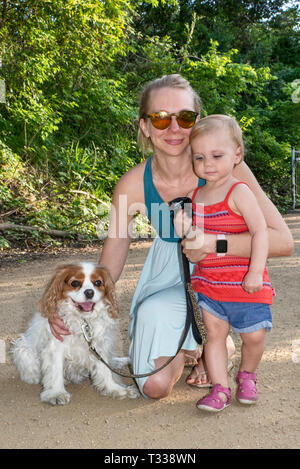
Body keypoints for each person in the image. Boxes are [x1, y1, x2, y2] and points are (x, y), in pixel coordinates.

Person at [49, 74, 294, 399]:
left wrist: (213, 245)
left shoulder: (231, 169)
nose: (174, 128)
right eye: (161, 118)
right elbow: (110, 264)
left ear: (198, 122)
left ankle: (216, 341)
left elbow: (283, 241)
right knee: (153, 387)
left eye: (185, 117)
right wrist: (71, 300)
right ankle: (196, 346)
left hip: (223, 278)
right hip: (167, 278)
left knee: (214, 322)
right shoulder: (131, 185)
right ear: (145, 127)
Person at [182, 114, 274, 412]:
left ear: (237, 155)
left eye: (217, 155)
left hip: (246, 284)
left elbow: (260, 231)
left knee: (254, 335)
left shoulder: (240, 191)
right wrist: (184, 227)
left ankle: (247, 374)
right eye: (200, 157)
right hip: (210, 285)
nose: (208, 163)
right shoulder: (195, 196)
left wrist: (256, 271)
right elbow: (194, 237)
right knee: (215, 338)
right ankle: (220, 388)